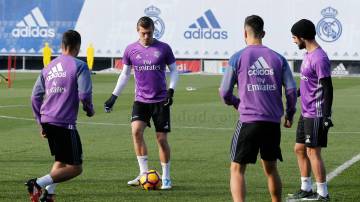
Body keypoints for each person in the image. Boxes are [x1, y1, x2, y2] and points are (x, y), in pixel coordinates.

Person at [219, 15, 297, 202]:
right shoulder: (278, 58)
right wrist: (290, 113)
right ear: (263, 33)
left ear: (245, 33)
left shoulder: (238, 57)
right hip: (271, 123)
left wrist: (236, 103)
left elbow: (224, 92)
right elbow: (292, 90)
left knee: (237, 169)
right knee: (271, 169)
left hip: (249, 121)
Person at [104, 16, 178, 190]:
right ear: (138, 31)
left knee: (161, 139)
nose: (146, 36)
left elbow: (174, 70)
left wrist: (171, 90)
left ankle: (166, 177)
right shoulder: (130, 50)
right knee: (136, 131)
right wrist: (114, 96)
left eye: (149, 33)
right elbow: (124, 74)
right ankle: (143, 174)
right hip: (141, 100)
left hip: (160, 101)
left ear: (154, 30)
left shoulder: (164, 48)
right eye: (143, 33)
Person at [28, 30, 94, 202]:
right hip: (64, 123)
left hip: (48, 120)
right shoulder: (79, 66)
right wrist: (89, 109)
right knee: (76, 168)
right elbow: (85, 95)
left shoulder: (48, 67)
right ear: (78, 47)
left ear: (62, 46)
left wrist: (40, 122)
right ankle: (38, 183)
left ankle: (49, 194)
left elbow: (34, 97)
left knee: (61, 160)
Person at [288, 19, 333, 201]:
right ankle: (306, 188)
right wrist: (293, 94)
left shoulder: (319, 58)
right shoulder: (307, 54)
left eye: (294, 37)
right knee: (299, 149)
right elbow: (308, 84)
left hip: (316, 113)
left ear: (302, 37)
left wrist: (327, 115)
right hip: (305, 111)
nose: (293, 40)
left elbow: (327, 88)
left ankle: (323, 193)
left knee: (313, 151)